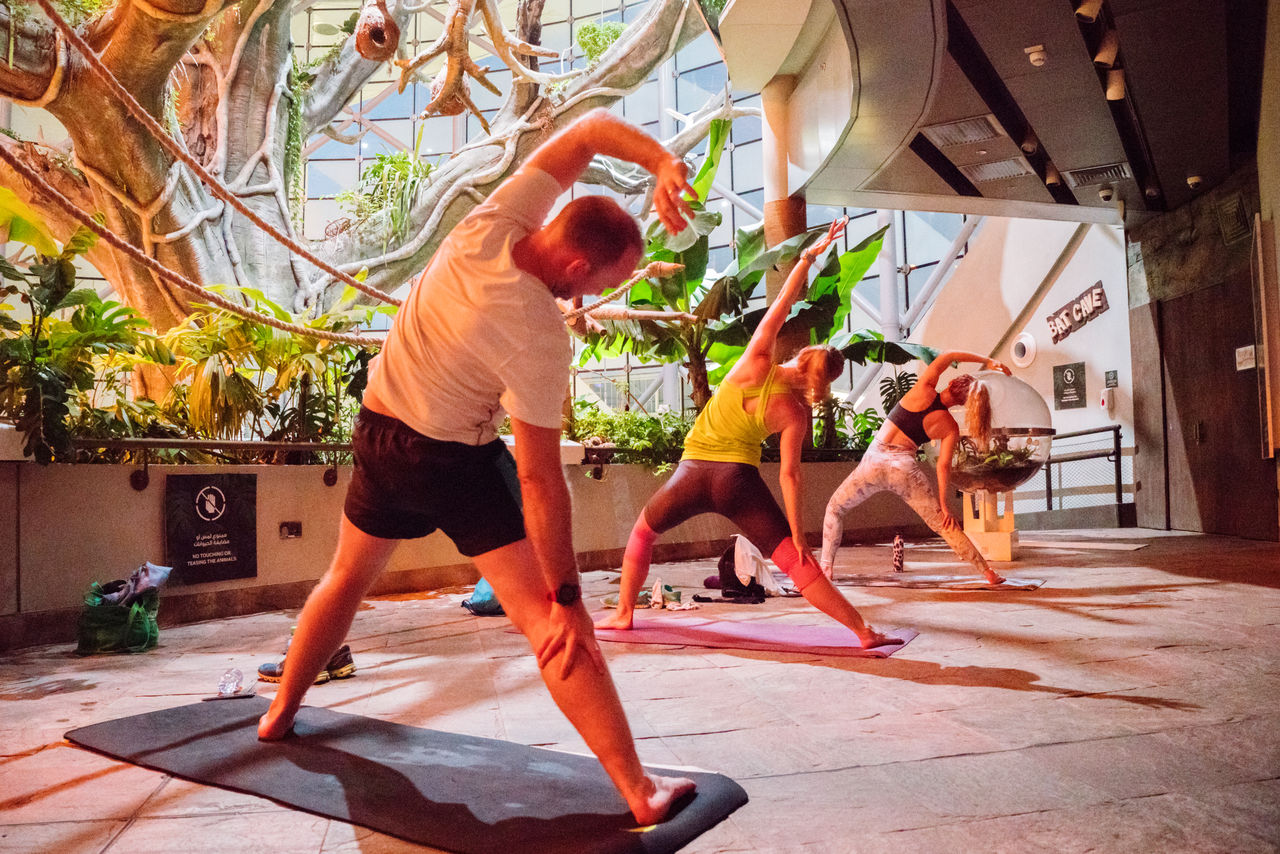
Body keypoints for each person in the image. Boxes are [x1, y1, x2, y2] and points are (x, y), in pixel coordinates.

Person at [257, 108, 698, 826]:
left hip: (377, 436)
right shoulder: (538, 335)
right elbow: (538, 481)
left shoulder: (490, 224)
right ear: (577, 268)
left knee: (344, 577)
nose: (584, 300)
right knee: (548, 628)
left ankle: (280, 713)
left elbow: (586, 133)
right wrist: (568, 598)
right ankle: (637, 791)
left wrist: (660, 163)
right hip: (449, 464)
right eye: (592, 286)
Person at [595, 217, 896, 650]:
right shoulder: (797, 412)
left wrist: (807, 258)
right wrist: (797, 533)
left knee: (643, 533)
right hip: (738, 483)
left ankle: (624, 613)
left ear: (803, 353)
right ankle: (863, 631)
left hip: (693, 472)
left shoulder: (756, 359)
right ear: (824, 382)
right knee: (796, 562)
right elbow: (790, 476)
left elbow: (784, 302)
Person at [820, 352, 1011, 585]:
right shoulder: (949, 426)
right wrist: (944, 504)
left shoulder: (924, 388)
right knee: (943, 523)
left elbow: (948, 356)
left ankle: (827, 569)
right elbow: (942, 466)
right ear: (964, 403)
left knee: (835, 508)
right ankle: (988, 573)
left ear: (950, 383)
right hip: (904, 469)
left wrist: (988, 361)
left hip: (873, 462)